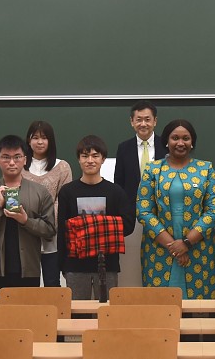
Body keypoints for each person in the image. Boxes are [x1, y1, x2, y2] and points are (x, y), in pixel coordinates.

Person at [136, 119, 215, 299]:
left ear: (192, 142)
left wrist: (186, 243)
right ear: (166, 141)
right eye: (175, 138)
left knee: (199, 308)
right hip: (159, 251)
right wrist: (175, 247)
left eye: (186, 138)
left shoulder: (206, 169)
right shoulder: (152, 170)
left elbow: (214, 210)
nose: (181, 143)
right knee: (161, 307)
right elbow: (144, 211)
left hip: (199, 250)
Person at [0, 135, 56, 300]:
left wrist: (26, 221)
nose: (12, 162)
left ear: (25, 160)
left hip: (28, 270)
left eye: (17, 157)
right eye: (6, 157)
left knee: (27, 314)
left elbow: (50, 229)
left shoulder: (40, 192)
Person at [57, 135, 136, 300]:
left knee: (107, 310)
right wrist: (62, 264)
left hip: (108, 265)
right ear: (78, 159)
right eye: (85, 156)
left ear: (103, 159)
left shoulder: (116, 191)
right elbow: (63, 231)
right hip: (75, 265)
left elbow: (128, 225)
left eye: (95, 156)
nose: (90, 161)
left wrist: (86, 226)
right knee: (77, 311)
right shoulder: (67, 191)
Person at [22, 120, 73, 288]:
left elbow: (63, 200)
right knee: (27, 285)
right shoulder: (19, 165)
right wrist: (30, 223)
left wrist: (46, 224)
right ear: (28, 140)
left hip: (53, 235)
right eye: (35, 137)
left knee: (52, 283)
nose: (40, 142)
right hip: (25, 234)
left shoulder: (62, 167)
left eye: (44, 138)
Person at [115, 100, 168, 200]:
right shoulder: (124, 148)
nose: (143, 124)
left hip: (161, 204)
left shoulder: (166, 146)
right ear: (132, 121)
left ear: (155, 121)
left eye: (147, 119)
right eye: (139, 120)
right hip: (132, 205)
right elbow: (119, 182)